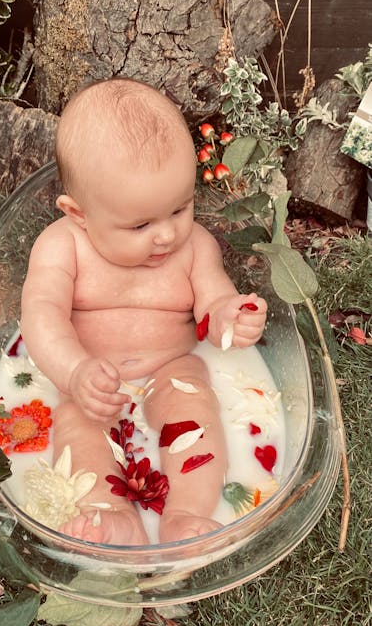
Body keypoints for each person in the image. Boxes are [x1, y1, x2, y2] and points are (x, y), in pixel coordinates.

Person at [20, 77, 267, 545]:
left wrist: (233, 318)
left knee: (193, 409)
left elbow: (211, 308)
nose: (167, 236)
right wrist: (74, 373)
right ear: (79, 214)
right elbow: (41, 315)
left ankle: (187, 513)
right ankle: (109, 513)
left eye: (180, 209)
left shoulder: (196, 248)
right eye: (140, 224)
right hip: (91, 376)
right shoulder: (60, 247)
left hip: (171, 366)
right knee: (79, 427)